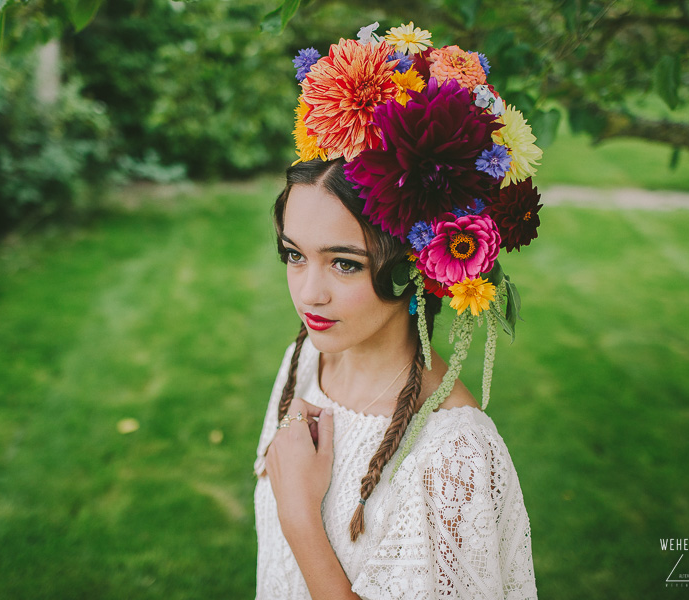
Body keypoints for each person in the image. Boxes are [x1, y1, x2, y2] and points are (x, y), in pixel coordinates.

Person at [253, 21, 542, 600]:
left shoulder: (451, 452)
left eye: (345, 264)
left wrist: (302, 520)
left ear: (418, 264)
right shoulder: (305, 361)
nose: (309, 294)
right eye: (294, 254)